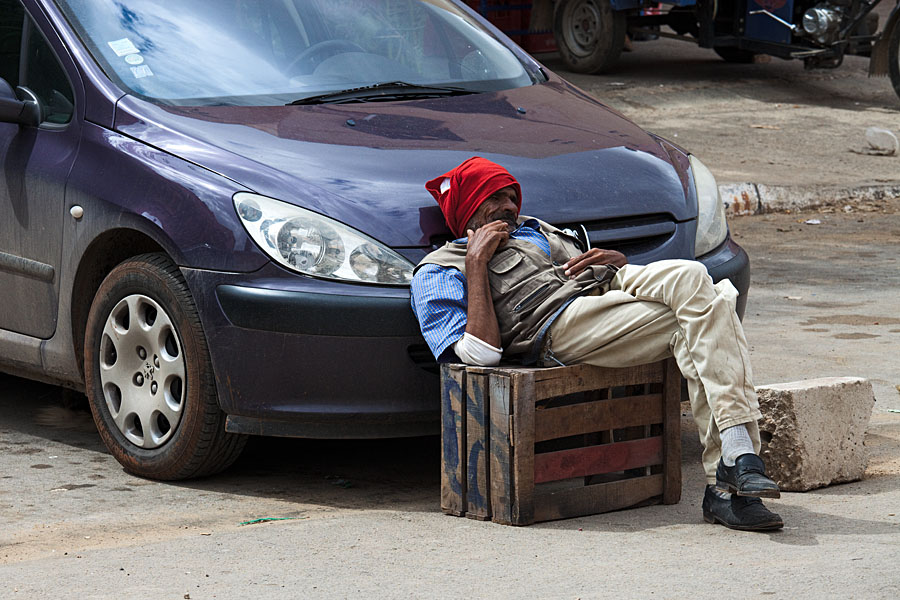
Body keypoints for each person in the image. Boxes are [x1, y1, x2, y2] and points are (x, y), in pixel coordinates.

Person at [410, 156, 784, 531]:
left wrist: (616, 264)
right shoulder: (440, 268)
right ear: (468, 208)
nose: (509, 206)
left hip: (604, 294)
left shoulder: (536, 230)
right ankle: (733, 472)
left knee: (696, 276)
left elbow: (592, 274)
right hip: (557, 326)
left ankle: (730, 473)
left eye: (512, 197)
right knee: (713, 306)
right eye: (494, 197)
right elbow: (479, 355)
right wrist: (476, 264)